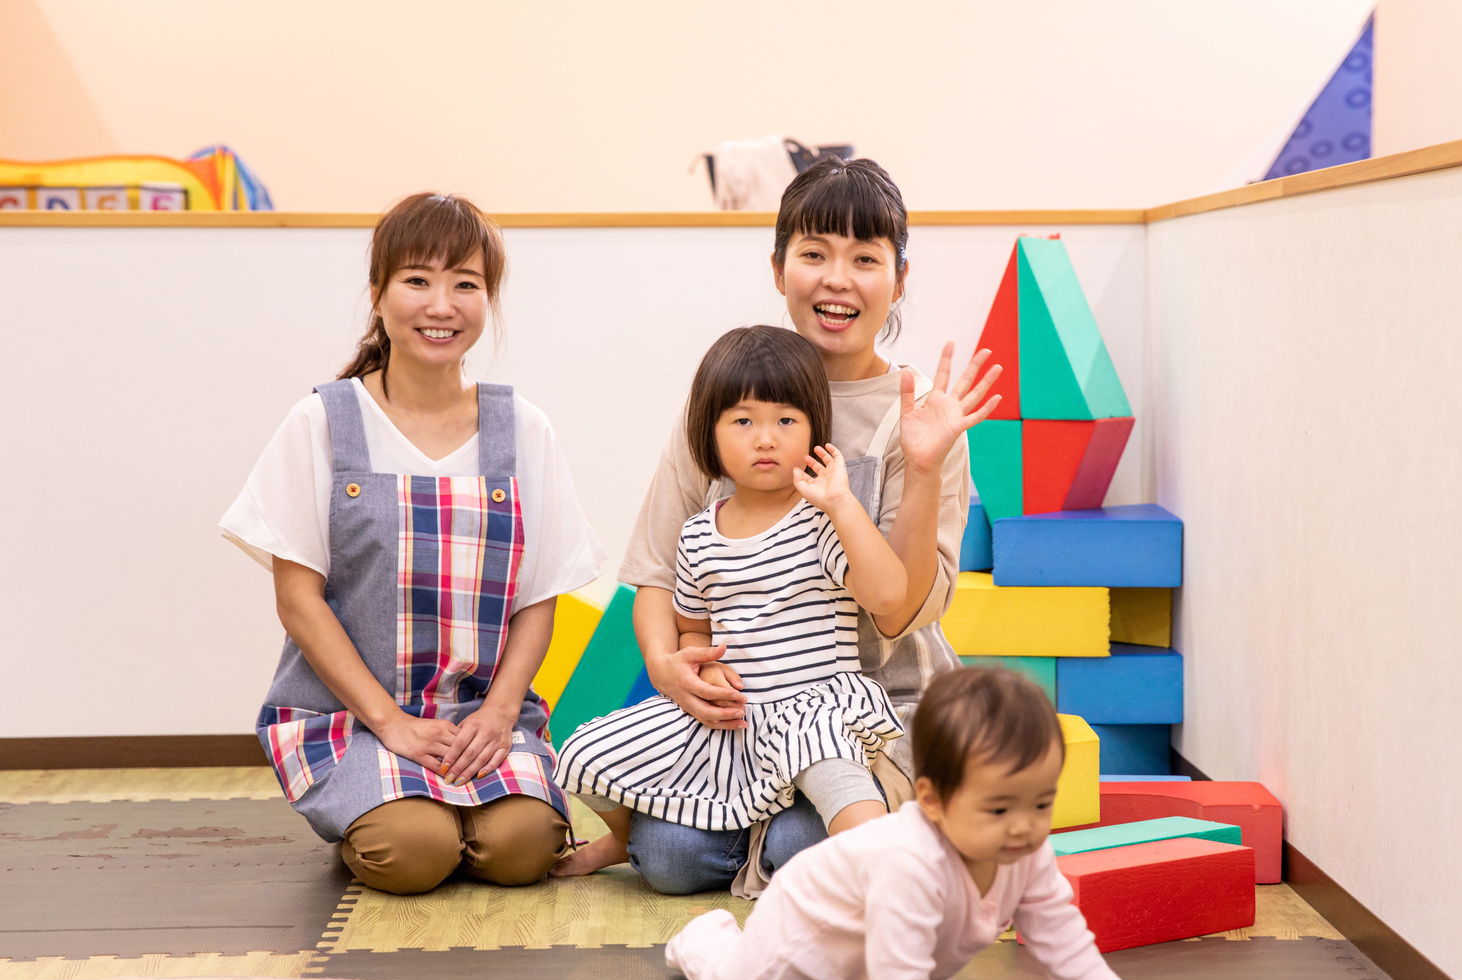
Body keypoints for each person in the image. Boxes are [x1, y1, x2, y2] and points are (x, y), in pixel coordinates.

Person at [616, 156, 1002, 893]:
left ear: (898, 277)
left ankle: (804, 834)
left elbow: (903, 609)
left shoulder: (915, 414)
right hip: (744, 715)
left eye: (864, 258)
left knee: (804, 843)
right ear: (777, 266)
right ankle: (777, 833)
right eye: (814, 254)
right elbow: (657, 572)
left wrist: (920, 469)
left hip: (874, 707)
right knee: (668, 857)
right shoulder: (727, 397)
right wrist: (668, 668)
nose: (837, 279)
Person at [219, 192, 605, 895]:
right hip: (357, 718)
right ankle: (379, 812)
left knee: (523, 849)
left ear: (488, 299)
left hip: (480, 717)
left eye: (466, 284)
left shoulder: (521, 428)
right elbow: (298, 600)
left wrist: (495, 713)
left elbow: (540, 596)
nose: (442, 304)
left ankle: (458, 802)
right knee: (413, 853)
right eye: (417, 280)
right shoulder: (321, 423)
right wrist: (390, 723)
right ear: (378, 293)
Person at [555, 326, 915, 878]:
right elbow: (691, 626)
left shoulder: (823, 520)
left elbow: (890, 594)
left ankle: (893, 874)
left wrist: (842, 503)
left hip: (811, 708)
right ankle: (621, 838)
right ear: (710, 433)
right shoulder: (698, 535)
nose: (765, 439)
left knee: (836, 776)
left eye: (786, 421)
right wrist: (702, 665)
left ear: (816, 429)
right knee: (583, 751)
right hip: (731, 717)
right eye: (744, 421)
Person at [664, 666, 1171, 980]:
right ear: (931, 800)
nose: (1023, 827)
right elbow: (897, 955)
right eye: (999, 809)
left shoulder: (1024, 852)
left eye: (1041, 805)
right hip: (811, 926)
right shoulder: (910, 860)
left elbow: (1053, 922)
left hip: (896, 944)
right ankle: (706, 938)